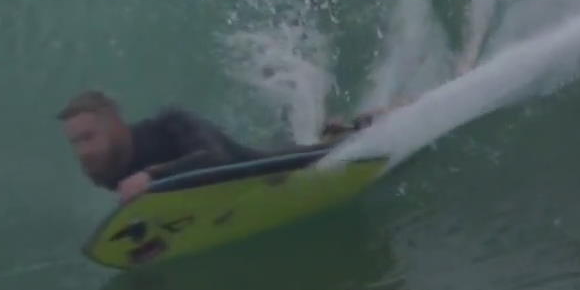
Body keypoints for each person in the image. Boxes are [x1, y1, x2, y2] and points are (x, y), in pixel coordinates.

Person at [58, 90, 389, 204]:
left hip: (240, 167)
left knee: (310, 158)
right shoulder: (101, 169)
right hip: (204, 191)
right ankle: (327, 131)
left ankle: (372, 119)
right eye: (75, 143)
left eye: (89, 137)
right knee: (297, 145)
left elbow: (214, 160)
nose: (82, 151)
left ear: (115, 123)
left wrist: (151, 175)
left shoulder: (170, 124)